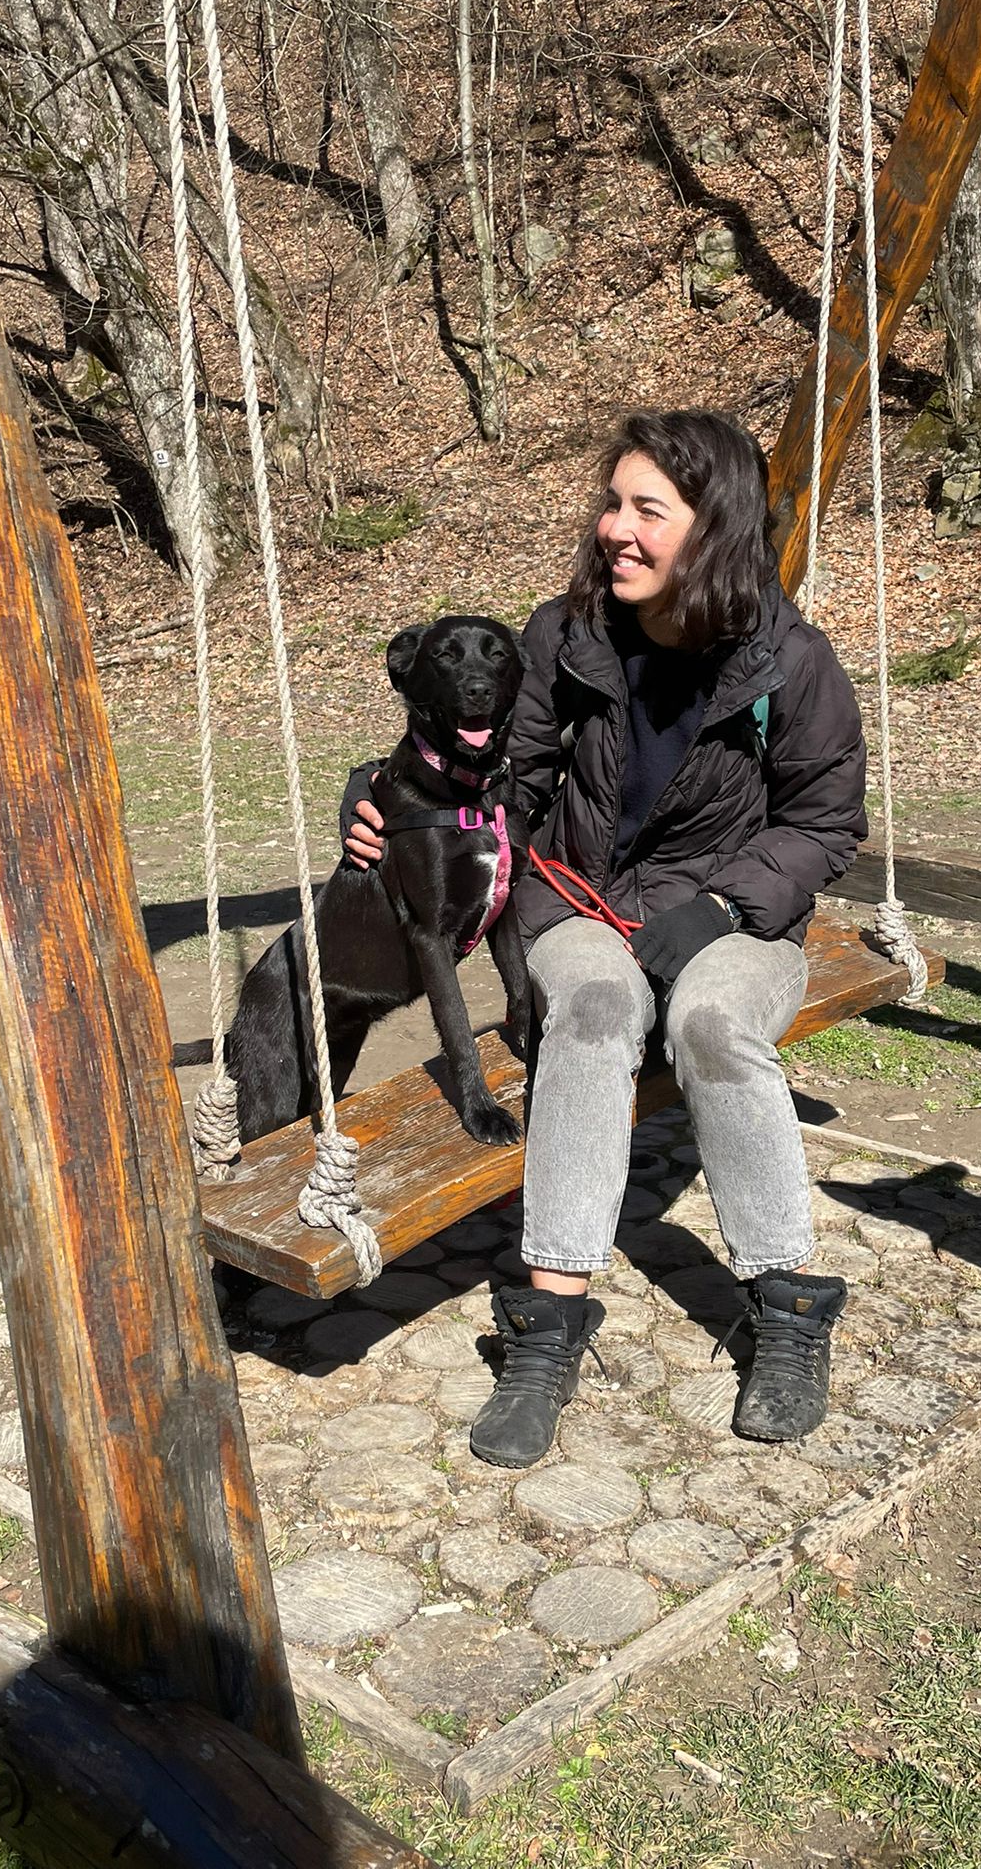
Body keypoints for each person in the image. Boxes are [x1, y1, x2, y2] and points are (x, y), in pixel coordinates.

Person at [343, 409, 867, 1466]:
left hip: (734, 910)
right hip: (578, 897)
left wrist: (719, 909)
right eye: (612, 503)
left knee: (714, 1023)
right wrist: (378, 794)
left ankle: (787, 1305)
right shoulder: (567, 635)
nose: (615, 528)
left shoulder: (790, 661)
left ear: (714, 527)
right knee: (589, 1013)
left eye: (646, 510)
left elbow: (825, 822)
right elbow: (499, 769)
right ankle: (547, 1327)